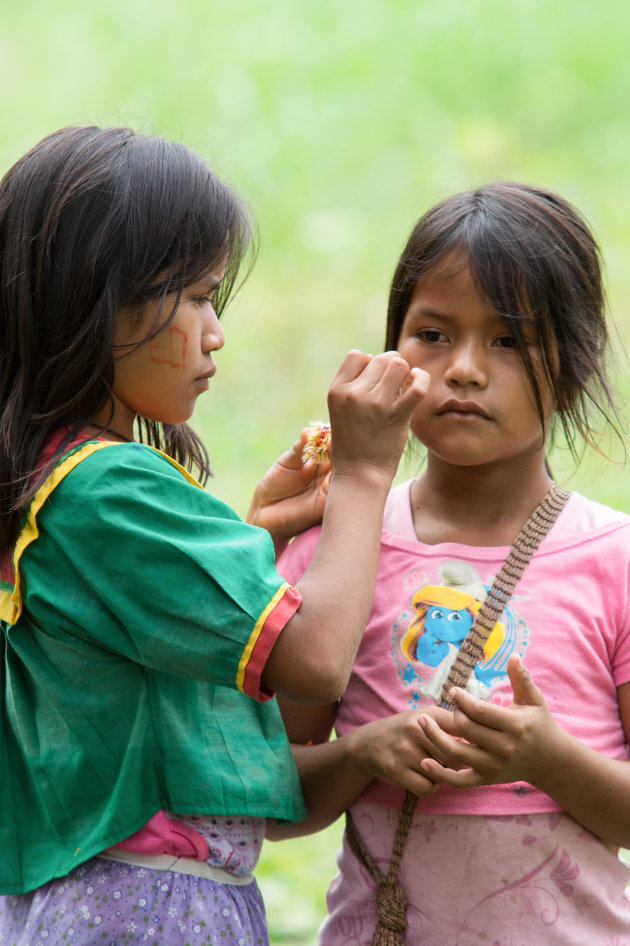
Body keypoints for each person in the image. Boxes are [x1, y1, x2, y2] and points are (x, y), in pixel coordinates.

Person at [0, 125, 429, 945]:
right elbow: (316, 657)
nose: (215, 331)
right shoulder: (108, 486)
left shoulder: (48, 482)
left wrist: (252, 539)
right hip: (150, 910)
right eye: (194, 296)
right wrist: (366, 478)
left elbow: (138, 653)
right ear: (93, 298)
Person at [272, 182, 630, 944]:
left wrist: (551, 759)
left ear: (574, 364)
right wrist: (363, 752)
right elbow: (270, 800)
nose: (464, 368)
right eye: (432, 333)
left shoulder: (616, 561)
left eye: (509, 341)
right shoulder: (340, 549)